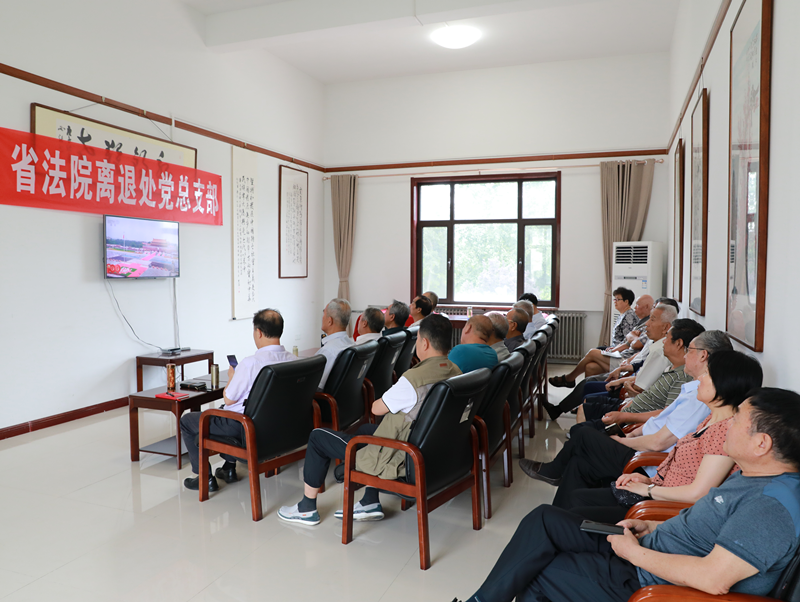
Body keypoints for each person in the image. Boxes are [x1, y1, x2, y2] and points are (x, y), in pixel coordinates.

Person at [454, 387, 800, 602]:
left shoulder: (770, 508)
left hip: (651, 580)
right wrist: (650, 530)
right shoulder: (756, 476)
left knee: (540, 570)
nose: (729, 422)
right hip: (649, 549)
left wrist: (635, 554)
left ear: (762, 443)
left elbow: (713, 579)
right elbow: (706, 524)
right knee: (544, 519)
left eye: (738, 418)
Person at [277, 314, 461, 525]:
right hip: (427, 449)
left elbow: (376, 408)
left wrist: (391, 393)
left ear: (425, 343)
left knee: (318, 436)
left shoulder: (413, 380)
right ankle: (369, 501)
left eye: (418, 339)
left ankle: (306, 508)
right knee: (366, 428)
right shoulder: (455, 371)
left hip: (399, 453)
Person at [519, 330, 734, 508]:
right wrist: (633, 430)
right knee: (578, 462)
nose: (686, 355)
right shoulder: (695, 388)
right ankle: (561, 516)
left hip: (645, 460)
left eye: (690, 351)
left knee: (583, 434)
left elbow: (659, 442)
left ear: (704, 355)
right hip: (640, 446)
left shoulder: (701, 397)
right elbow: (663, 416)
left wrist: (622, 441)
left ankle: (554, 472)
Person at [567, 350, 763, 523]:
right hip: (657, 489)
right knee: (576, 489)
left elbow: (698, 493)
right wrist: (650, 481)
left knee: (566, 509)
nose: (699, 380)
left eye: (707, 375)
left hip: (660, 510)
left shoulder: (725, 432)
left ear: (725, 385)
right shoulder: (711, 419)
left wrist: (648, 490)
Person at [180, 309, 298, 491]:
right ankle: (228, 468)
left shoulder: (250, 364)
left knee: (188, 421)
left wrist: (232, 377)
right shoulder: (293, 360)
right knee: (232, 410)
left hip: (246, 427)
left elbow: (229, 399)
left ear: (258, 332)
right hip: (277, 428)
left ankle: (204, 477)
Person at [576, 318, 704, 426]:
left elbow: (665, 414)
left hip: (631, 416)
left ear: (679, 344)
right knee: (590, 374)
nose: (647, 323)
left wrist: (626, 411)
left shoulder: (682, 375)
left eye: (667, 337)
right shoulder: (672, 366)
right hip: (630, 406)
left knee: (584, 420)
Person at [569, 304, 678, 422]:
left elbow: (638, 388)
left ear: (665, 327)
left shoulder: (660, 351)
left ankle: (569, 381)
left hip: (634, 403)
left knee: (589, 384)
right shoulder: (655, 344)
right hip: (629, 377)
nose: (647, 323)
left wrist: (625, 383)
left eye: (652, 319)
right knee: (591, 368)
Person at [549, 286, 637, 388]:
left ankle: (569, 378)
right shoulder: (622, 314)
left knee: (592, 352)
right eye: (614, 299)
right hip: (616, 352)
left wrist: (614, 350)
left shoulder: (629, 315)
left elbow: (628, 341)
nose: (615, 301)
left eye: (618, 299)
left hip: (622, 355)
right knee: (590, 367)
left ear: (626, 302)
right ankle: (585, 399)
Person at [315, 298, 354, 389]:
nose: (322, 317)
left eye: (324, 314)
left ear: (330, 321)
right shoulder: (352, 344)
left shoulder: (328, 352)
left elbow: (317, 386)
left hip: (325, 401)